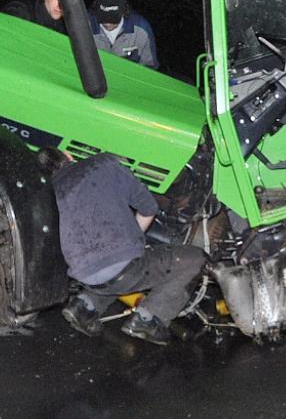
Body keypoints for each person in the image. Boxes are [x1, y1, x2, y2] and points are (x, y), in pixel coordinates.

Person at [38, 148, 207, 345]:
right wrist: (131, 240)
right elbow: (149, 208)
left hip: (84, 276)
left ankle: (84, 306)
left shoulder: (49, 196)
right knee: (196, 258)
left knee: (114, 266)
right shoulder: (103, 164)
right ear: (68, 155)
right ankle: (149, 318)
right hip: (124, 271)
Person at [90, 0, 158, 69]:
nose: (108, 24)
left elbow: (150, 67)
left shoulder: (141, 29)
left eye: (113, 19)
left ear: (124, 12)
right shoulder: (84, 25)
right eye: (103, 18)